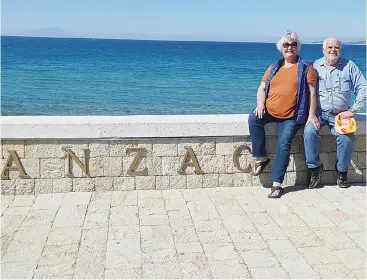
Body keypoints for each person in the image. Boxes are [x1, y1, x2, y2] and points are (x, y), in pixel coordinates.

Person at [249, 31, 319, 198]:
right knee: (253, 119)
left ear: (298, 47)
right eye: (286, 45)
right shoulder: (274, 66)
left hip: (291, 116)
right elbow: (261, 87)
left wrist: (312, 115)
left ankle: (277, 184)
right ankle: (261, 157)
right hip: (270, 111)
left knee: (284, 143)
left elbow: (312, 93)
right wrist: (260, 104)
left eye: (293, 44)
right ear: (281, 47)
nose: (290, 47)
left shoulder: (306, 67)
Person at [304, 37, 366, 188]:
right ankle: (314, 169)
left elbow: (363, 88)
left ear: (340, 50)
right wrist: (310, 114)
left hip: (341, 115)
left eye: (336, 47)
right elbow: (306, 91)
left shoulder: (349, 66)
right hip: (319, 113)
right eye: (329, 47)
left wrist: (353, 110)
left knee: (347, 138)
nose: (333, 50)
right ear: (323, 50)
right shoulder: (315, 66)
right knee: (309, 132)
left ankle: (342, 171)